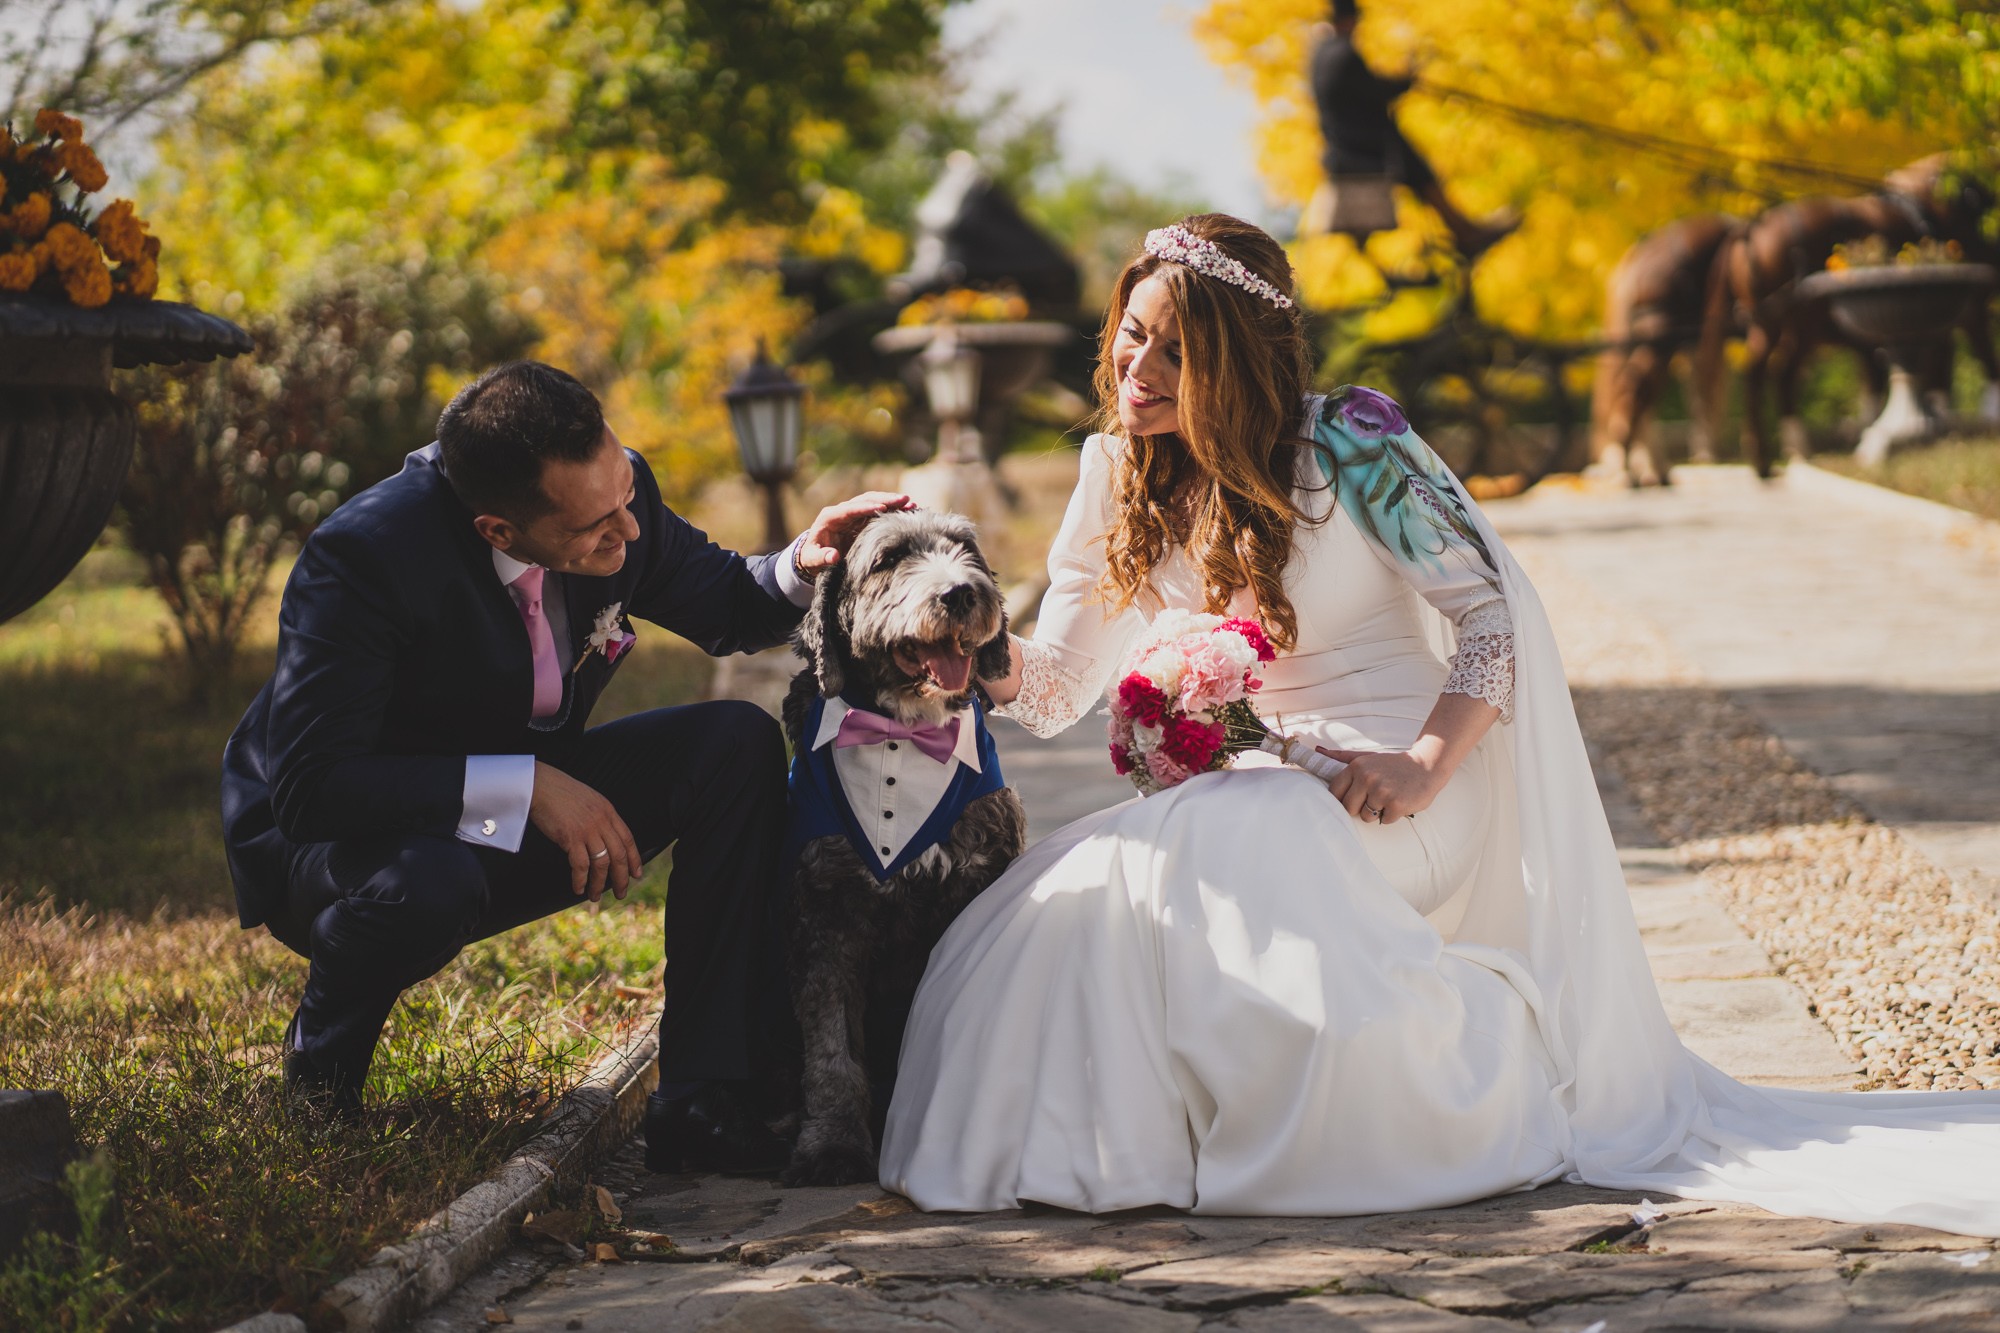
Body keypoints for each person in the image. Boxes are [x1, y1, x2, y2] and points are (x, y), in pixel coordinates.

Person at [879, 215, 2000, 1232]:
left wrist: (1422, 760)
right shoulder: (1111, 473)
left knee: (1230, 841)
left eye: (1175, 349)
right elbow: (1057, 687)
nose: (1137, 368)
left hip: (1404, 783)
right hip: (1252, 791)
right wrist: (967, 638)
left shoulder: (1351, 444)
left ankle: (1495, 1063)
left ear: (1240, 359)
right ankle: (1123, 1154)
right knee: (1068, 904)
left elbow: (1490, 613)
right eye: (1130, 336)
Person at [221, 360, 908, 1172]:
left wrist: (805, 557)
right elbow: (312, 789)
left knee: (734, 744)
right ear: (497, 531)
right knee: (428, 885)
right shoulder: (364, 556)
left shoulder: (613, 497)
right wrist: (527, 787)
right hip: (349, 844)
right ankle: (320, 1074)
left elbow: (727, 603)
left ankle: (700, 1093)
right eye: (596, 528)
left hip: (503, 800)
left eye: (625, 497)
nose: (629, 534)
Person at [1310, 0, 1513, 257]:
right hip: (1365, 147)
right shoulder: (1344, 54)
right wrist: (1405, 81)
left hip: (1348, 144)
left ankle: (1462, 228)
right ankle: (1464, 231)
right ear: (1350, 20)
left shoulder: (1320, 53)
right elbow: (1374, 91)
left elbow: (1364, 88)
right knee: (1419, 169)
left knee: (1417, 171)